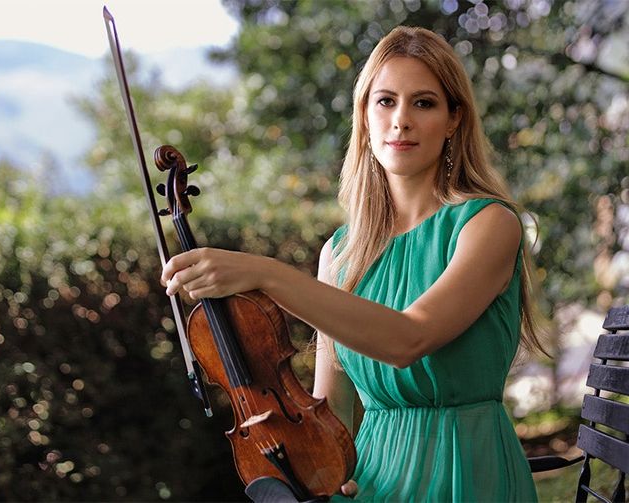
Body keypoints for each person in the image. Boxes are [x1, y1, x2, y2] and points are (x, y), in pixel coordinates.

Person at [160, 26, 548, 501]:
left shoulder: (488, 224)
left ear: (453, 120)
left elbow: (410, 338)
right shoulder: (341, 253)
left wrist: (266, 273)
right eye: (385, 101)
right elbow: (335, 406)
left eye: (423, 103)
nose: (400, 120)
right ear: (364, 116)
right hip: (369, 478)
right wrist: (314, 473)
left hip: (465, 469)